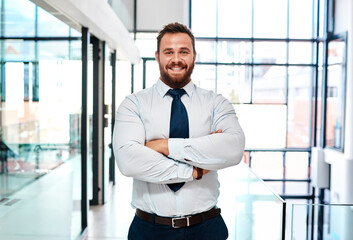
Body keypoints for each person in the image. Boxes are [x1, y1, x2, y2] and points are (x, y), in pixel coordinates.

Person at [113, 22, 245, 240]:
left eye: (183, 51)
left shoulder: (216, 103)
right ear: (157, 56)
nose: (176, 59)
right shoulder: (134, 104)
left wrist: (163, 146)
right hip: (149, 229)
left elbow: (233, 149)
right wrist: (195, 170)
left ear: (194, 55)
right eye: (168, 52)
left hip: (207, 228)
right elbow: (128, 161)